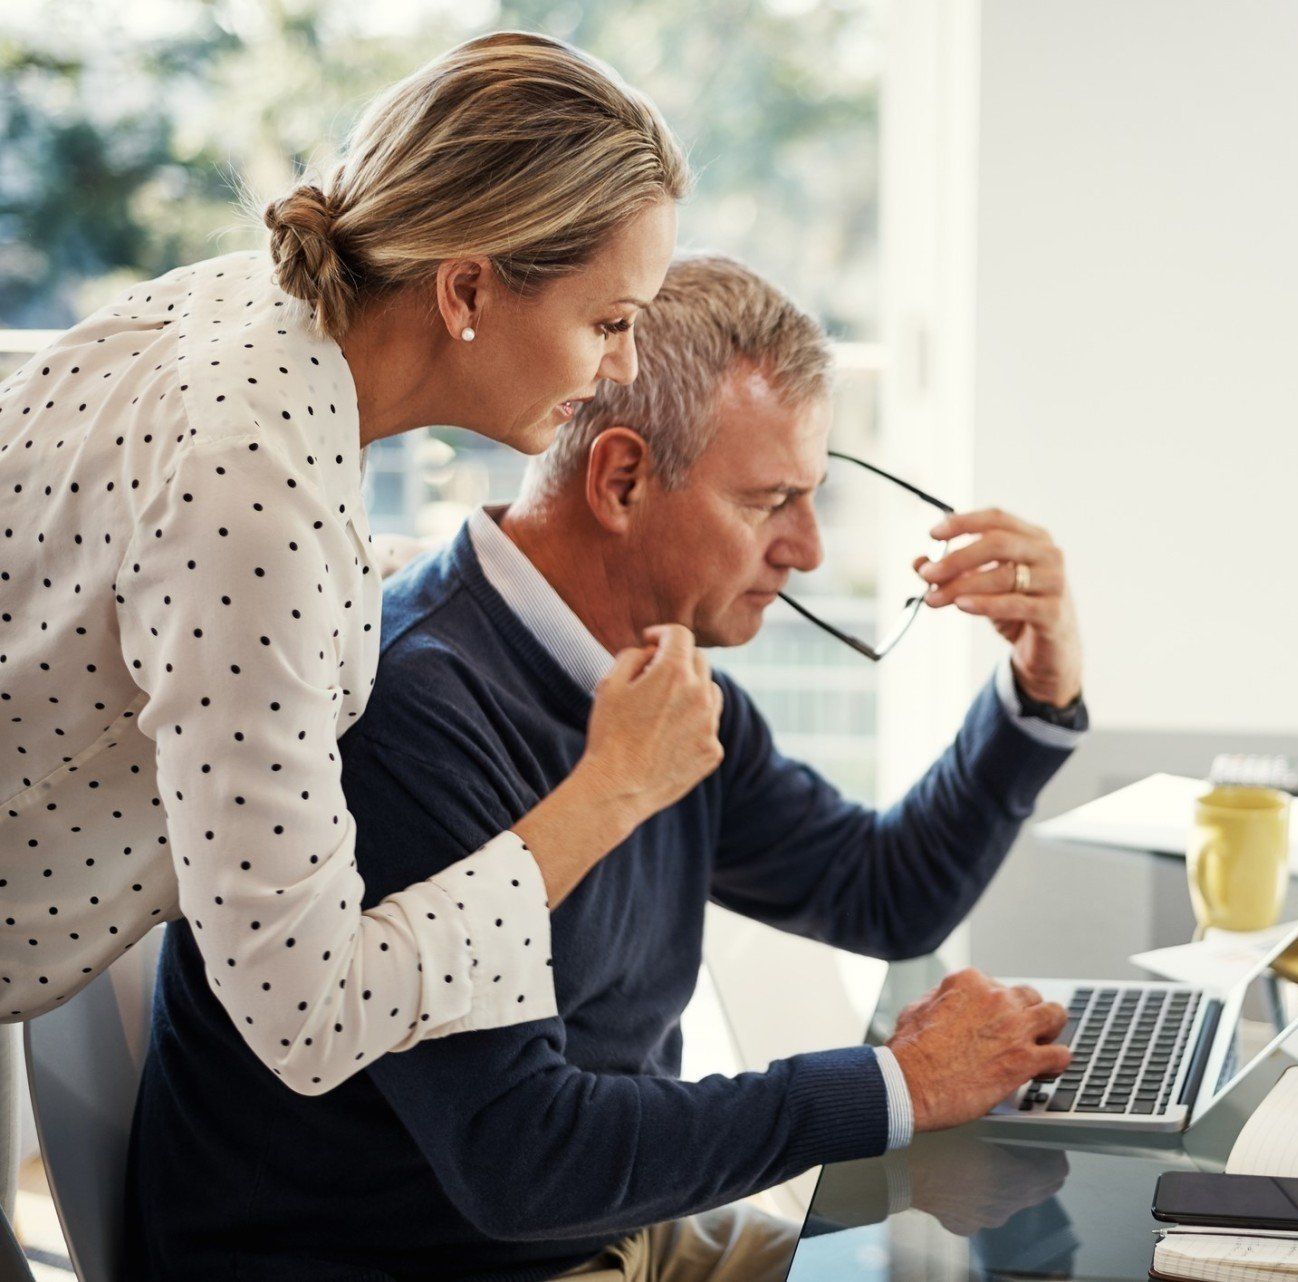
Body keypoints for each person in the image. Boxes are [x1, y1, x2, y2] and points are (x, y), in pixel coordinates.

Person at [127, 254, 1088, 1281]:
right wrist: (892, 1086)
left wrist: (1040, 688)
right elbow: (526, 1161)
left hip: (595, 1233)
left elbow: (884, 894)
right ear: (621, 480)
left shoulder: (659, 682)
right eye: (770, 500)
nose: (807, 549)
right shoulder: (409, 712)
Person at [0, 31, 704, 1092]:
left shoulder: (242, 314)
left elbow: (156, 588)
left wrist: (385, 575)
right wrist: (612, 792)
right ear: (465, 293)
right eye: (609, 320)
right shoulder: (250, 487)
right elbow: (312, 1014)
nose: (626, 366)